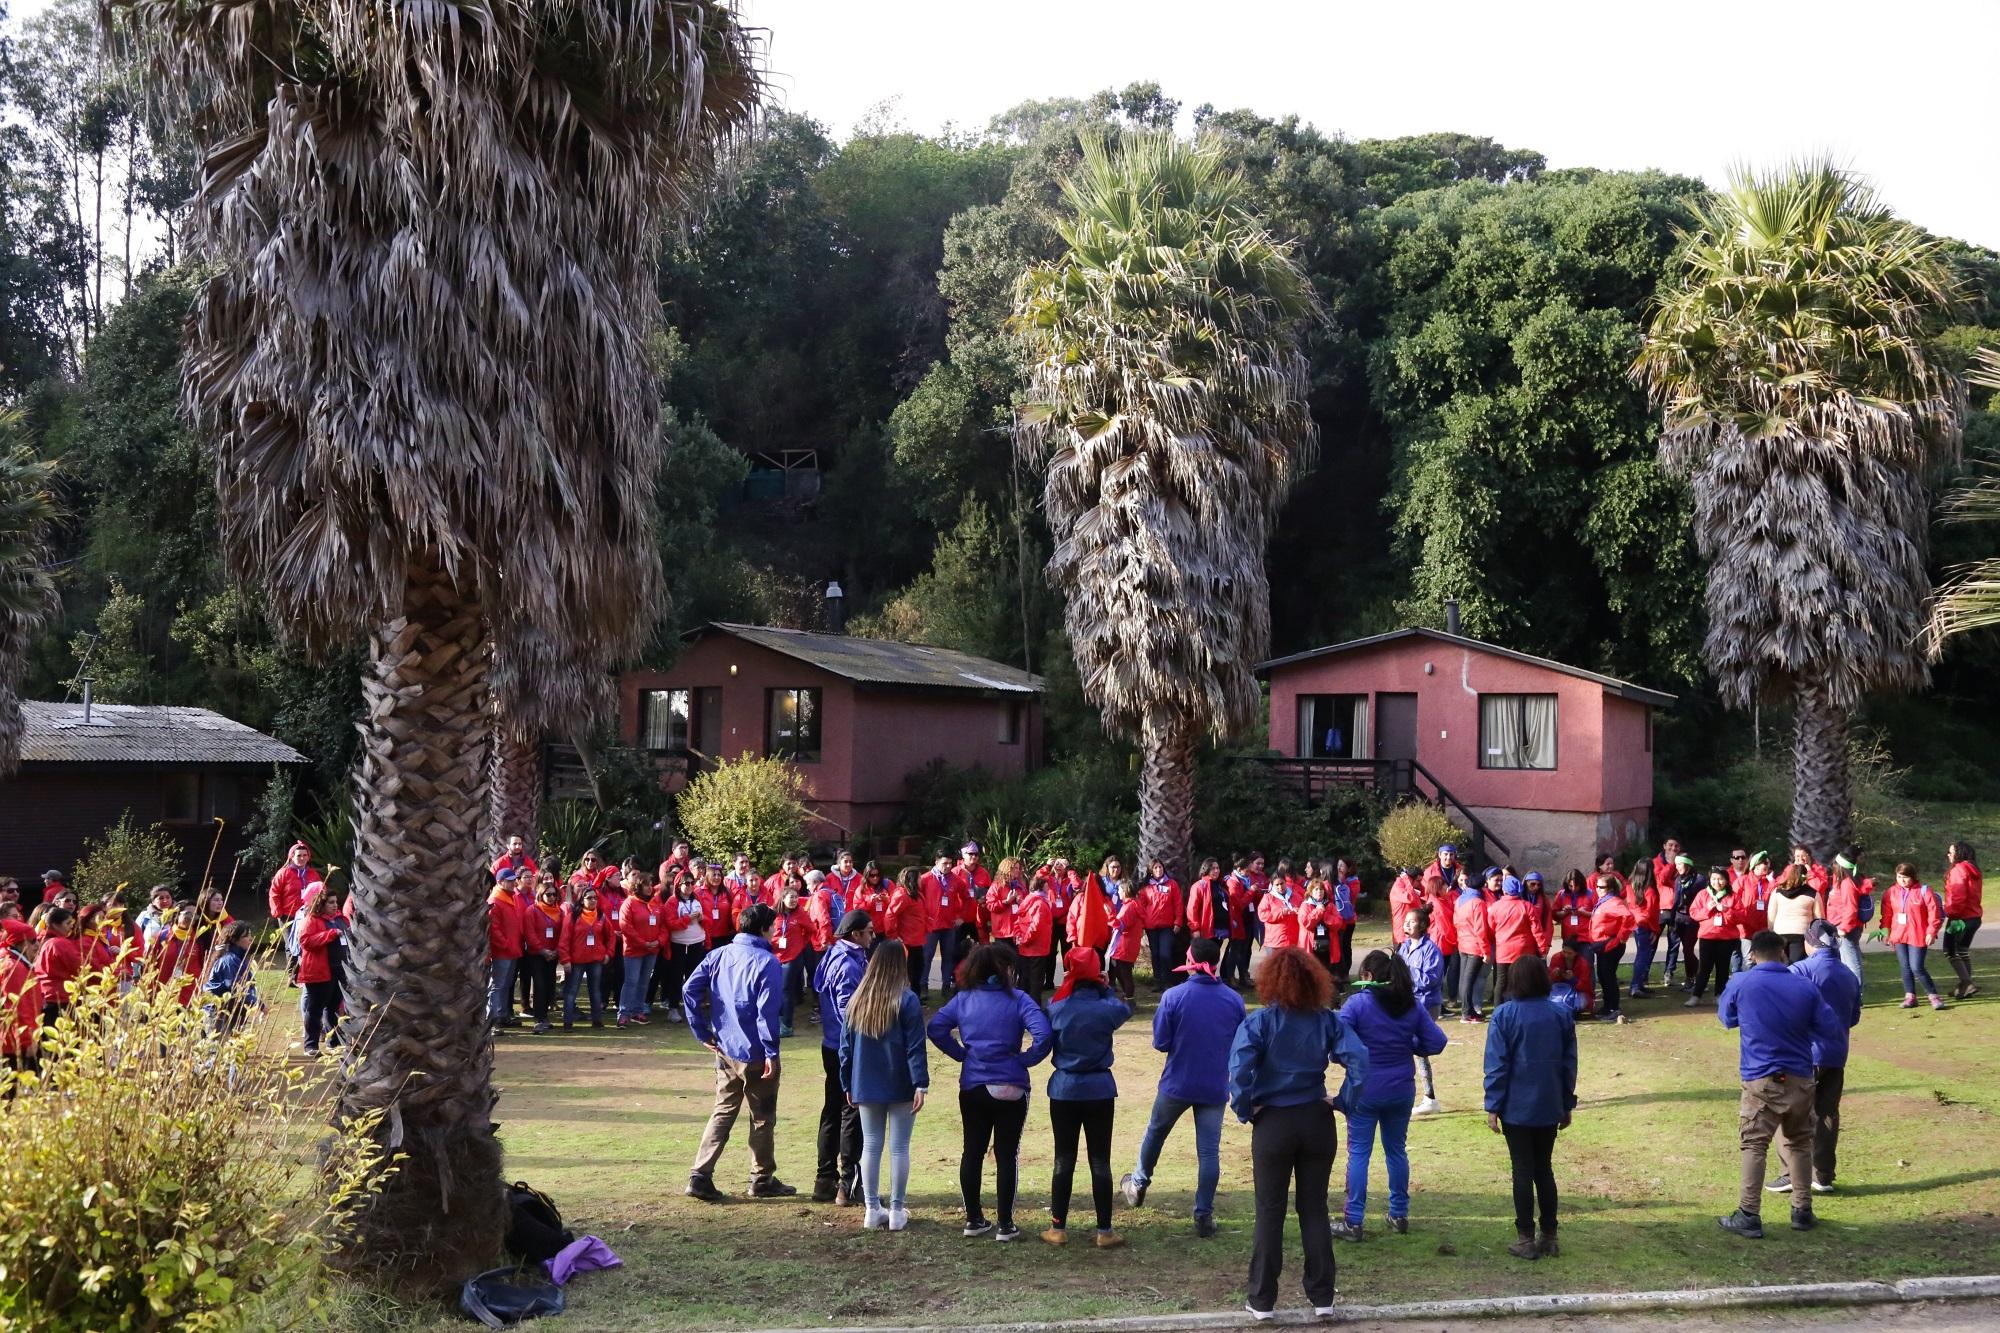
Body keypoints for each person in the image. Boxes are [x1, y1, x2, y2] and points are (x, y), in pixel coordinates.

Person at [1228, 948, 1368, 1322]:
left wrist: (1245, 1110)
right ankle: (1323, 1297)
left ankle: (1262, 1300)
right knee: (1314, 1209)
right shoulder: (1327, 1021)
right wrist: (1343, 1101)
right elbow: (1360, 1059)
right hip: (1315, 1118)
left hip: (1273, 1121)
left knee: (1269, 1212)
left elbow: (1238, 1070)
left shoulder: (1260, 1023)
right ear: (1314, 980)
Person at [1717, 930, 1845, 1239]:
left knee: (1754, 1143)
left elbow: (1726, 1018)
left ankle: (1749, 1213)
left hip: (1760, 1076)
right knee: (1800, 1141)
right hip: (1800, 1076)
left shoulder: (1741, 982)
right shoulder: (1804, 985)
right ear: (1784, 953)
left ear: (1752, 955)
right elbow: (1829, 1026)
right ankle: (1802, 1209)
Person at [926, 944, 1053, 1242]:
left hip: (973, 1085)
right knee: (1007, 1155)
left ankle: (973, 1219)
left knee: (973, 1151)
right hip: (1010, 1084)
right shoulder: (1019, 1000)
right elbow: (1044, 1034)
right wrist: (1025, 1059)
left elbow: (936, 1028)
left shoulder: (963, 999)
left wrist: (961, 1055)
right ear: (1006, 970)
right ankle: (1005, 1225)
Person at [1120, 937, 1245, 1237]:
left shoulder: (1174, 996)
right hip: (1214, 1084)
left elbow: (1160, 1042)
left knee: (1156, 1132)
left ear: (1191, 961)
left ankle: (1138, 1182)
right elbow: (1242, 1044)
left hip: (1178, 1081)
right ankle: (1203, 1213)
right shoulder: (1233, 999)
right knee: (1208, 1151)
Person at [683, 903, 793, 1201]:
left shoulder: (719, 955)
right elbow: (766, 1012)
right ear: (763, 929)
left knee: (723, 1109)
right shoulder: (767, 961)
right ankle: (761, 1178)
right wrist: (771, 1051)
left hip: (726, 1046)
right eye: (773, 925)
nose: (776, 930)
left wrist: (701, 1030)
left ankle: (700, 1174)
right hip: (755, 1051)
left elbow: (689, 990)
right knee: (762, 1116)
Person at [1338, 950, 1448, 1241]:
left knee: (1359, 1153)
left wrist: (1356, 1055)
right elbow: (1436, 1042)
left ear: (1368, 976)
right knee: (1396, 1150)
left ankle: (1354, 1220)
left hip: (1364, 1089)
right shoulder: (1409, 1004)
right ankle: (1399, 1214)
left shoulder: (1357, 1004)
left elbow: (1337, 1044)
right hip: (1401, 1089)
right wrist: (1408, 1041)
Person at [1482, 953, 1577, 1260]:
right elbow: (1568, 1064)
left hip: (1517, 1106)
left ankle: (1525, 1237)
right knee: (1543, 1169)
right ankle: (1550, 1235)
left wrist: (1493, 1105)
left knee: (1522, 1170)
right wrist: (1566, 1102)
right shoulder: (1560, 1015)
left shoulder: (1505, 1015)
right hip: (1549, 1102)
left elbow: (1497, 1064)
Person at [1042, 947, 1131, 1248]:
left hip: (1064, 1089)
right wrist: (1105, 988)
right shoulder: (1106, 1007)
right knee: (1100, 1160)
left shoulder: (1057, 1006)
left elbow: (1050, 1009)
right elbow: (1124, 1010)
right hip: (1099, 1089)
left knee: (1063, 1158)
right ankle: (1104, 1230)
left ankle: (1058, 1227)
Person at [1765, 920, 1861, 1198]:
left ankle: (1790, 1174)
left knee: (1789, 1109)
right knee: (1827, 1112)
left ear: (1810, 942)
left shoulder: (1799, 971)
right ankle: (1823, 1174)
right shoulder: (1848, 974)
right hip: (1836, 1053)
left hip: (1802, 1053)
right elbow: (1854, 1017)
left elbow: (1782, 1010)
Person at [839, 939, 929, 1232]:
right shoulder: (907, 999)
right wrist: (921, 1083)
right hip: (900, 1080)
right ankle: (896, 1209)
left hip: (865, 1082)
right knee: (899, 1147)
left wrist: (847, 1082)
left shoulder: (857, 1000)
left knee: (872, 1146)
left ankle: (871, 1208)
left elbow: (845, 1048)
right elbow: (916, 1047)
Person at [814, 909, 875, 1205]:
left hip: (832, 1042)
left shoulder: (834, 954)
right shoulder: (848, 964)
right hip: (846, 1045)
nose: (873, 936)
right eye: (869, 932)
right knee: (851, 1111)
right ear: (856, 934)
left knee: (833, 1110)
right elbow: (847, 1010)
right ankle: (847, 1182)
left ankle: (824, 1179)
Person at [1397, 907, 1446, 1115]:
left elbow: (1431, 980)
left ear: (1423, 926)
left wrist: (1407, 974)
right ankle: (1420, 1096)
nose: (1407, 924)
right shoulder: (1403, 948)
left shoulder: (1431, 950)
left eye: (1412, 921)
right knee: (1407, 1049)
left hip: (1426, 1005)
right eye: (1406, 921)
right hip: (1407, 1004)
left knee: (1419, 1050)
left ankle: (1429, 1097)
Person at [1884, 861, 1946, 1010]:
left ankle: (1934, 996)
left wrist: (1931, 932)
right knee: (1905, 967)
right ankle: (1910, 996)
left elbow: (1934, 914)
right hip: (1898, 935)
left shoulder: (1924, 891)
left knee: (1917, 967)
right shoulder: (1891, 892)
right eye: (1899, 877)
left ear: (1913, 877)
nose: (1902, 880)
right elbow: (1887, 914)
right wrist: (1886, 932)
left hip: (1918, 935)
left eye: (1905, 877)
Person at [297, 888, 349, 1055]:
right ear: (321, 904)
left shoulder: (341, 919)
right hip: (319, 972)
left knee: (333, 1008)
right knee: (315, 1009)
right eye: (331, 903)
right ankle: (310, 1046)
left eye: (336, 902)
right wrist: (329, 935)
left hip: (339, 971)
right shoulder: (312, 919)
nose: (335, 905)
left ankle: (333, 1042)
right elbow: (305, 941)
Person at [1686, 868, 1746, 1006]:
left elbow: (1741, 916)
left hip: (1727, 938)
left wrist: (1727, 911)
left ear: (1726, 880)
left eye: (1720, 879)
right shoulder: (1703, 894)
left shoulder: (1733, 896)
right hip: (1707, 937)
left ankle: (1719, 995)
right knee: (1704, 968)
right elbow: (1694, 913)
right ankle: (1696, 995)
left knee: (1723, 968)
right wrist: (1707, 908)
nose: (1717, 882)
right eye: (1714, 879)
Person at [663, 866, 716, 1023]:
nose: (689, 886)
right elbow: (670, 924)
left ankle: (693, 1008)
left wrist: (701, 919)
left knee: (694, 977)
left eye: (692, 883)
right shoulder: (672, 902)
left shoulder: (697, 900)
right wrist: (687, 919)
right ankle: (673, 1007)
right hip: (678, 944)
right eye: (686, 883)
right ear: (679, 885)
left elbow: (709, 921)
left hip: (697, 943)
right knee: (676, 976)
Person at [558, 884, 611, 1030]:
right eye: (589, 898)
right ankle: (568, 1022)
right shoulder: (572, 917)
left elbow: (610, 937)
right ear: (582, 900)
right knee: (571, 992)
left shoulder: (601, 916)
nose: (593, 901)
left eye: (595, 898)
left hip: (596, 960)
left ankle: (597, 1020)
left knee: (595, 991)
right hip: (577, 961)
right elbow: (564, 940)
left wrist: (608, 953)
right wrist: (565, 960)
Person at [1489, 876, 1549, 1003]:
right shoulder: (1527, 906)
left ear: (1504, 890)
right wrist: (1542, 948)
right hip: (1523, 950)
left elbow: (1491, 928)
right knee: (1525, 980)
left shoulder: (1495, 907)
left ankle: (1498, 1009)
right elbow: (1537, 930)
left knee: (1501, 981)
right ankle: (1524, 1006)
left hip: (1503, 950)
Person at [268, 841, 322, 976]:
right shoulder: (283, 873)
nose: (302, 858)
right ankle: (293, 975)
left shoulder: (313, 874)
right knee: (291, 944)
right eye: (299, 855)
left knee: (306, 943)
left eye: (305, 855)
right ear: (292, 856)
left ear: (309, 857)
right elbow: (274, 893)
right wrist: (278, 912)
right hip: (288, 915)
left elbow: (320, 891)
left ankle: (307, 972)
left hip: (307, 914)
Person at [521, 877, 564, 1033]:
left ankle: (544, 1015)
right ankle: (539, 1018)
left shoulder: (560, 912)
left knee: (550, 985)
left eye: (554, 895)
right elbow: (530, 934)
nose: (552, 897)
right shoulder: (532, 911)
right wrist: (542, 950)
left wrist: (557, 950)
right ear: (541, 895)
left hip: (553, 955)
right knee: (539, 985)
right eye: (548, 895)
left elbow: (563, 933)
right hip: (536, 955)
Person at [1589, 878, 1635, 1023]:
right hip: (1603, 944)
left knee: (1607, 977)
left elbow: (1629, 917)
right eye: (1596, 886)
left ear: (1610, 888)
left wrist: (1621, 938)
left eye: (1601, 887)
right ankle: (1608, 1006)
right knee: (1603, 975)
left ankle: (1613, 1009)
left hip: (1611, 945)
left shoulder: (1614, 902)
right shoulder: (1604, 901)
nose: (1597, 889)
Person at [487, 869, 527, 1030]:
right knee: (497, 985)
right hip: (502, 952)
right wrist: (505, 945)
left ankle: (502, 1015)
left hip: (512, 950)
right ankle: (492, 1019)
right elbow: (494, 929)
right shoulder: (496, 901)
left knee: (506, 984)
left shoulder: (511, 898)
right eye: (510, 880)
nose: (513, 883)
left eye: (514, 880)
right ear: (500, 881)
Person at [920, 852, 964, 1001]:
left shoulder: (956, 880)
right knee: (927, 956)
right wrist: (923, 918)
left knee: (948, 957)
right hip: (930, 926)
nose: (948, 866)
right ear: (936, 861)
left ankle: (946, 986)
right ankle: (923, 986)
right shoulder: (925, 879)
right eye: (945, 863)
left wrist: (960, 916)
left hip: (948, 925)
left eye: (950, 863)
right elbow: (917, 899)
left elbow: (967, 898)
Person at [1824, 851, 1873, 982]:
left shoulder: (1847, 884)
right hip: (1843, 926)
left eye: (1835, 863)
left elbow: (1851, 908)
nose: (1833, 866)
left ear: (1840, 866)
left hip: (1846, 928)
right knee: (1846, 962)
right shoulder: (1841, 881)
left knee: (1852, 963)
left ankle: (1857, 995)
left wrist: (1844, 929)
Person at [31, 906, 81, 1031]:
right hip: (60, 997)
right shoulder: (60, 943)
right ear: (55, 925)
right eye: (68, 923)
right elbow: (79, 967)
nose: (71, 926)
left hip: (46, 996)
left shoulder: (45, 941)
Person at [1944, 841, 1982, 999]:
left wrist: (1949, 912)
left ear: (1960, 853)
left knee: (1950, 951)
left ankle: (1967, 983)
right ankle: (1964, 987)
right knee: (1962, 951)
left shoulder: (1959, 870)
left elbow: (1958, 896)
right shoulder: (1973, 869)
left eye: (1951, 852)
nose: (1948, 855)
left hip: (1960, 918)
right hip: (1974, 917)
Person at [773, 883, 810, 1038]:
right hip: (775, 957)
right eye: (791, 897)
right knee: (777, 990)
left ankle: (787, 1026)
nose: (795, 900)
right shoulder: (773, 914)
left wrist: (800, 943)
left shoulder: (800, 913)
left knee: (786, 990)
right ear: (783, 898)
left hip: (793, 958)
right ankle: (780, 1021)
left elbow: (811, 930)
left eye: (796, 897)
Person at [1453, 875, 1492, 1022]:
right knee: (1469, 980)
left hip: (1462, 943)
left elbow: (1455, 922)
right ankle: (1467, 1013)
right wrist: (1485, 951)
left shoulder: (1459, 900)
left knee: (1464, 979)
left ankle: (1466, 1010)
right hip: (1475, 945)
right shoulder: (1478, 903)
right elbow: (1480, 929)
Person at [1014, 871, 1056, 1004]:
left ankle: (1023, 1006)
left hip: (1025, 947)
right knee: (1036, 981)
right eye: (1046, 886)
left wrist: (1020, 938)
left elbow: (1018, 921)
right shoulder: (1041, 904)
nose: (1048, 888)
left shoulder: (1027, 900)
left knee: (1025, 979)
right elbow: (1036, 926)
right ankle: (1033, 1009)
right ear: (1041, 887)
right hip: (1037, 948)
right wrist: (1026, 939)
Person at [889, 867, 931, 996]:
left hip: (917, 939)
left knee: (918, 971)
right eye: (919, 877)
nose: (921, 880)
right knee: (909, 974)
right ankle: (908, 1000)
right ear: (912, 879)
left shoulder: (916, 894)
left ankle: (916, 998)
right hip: (907, 941)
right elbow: (890, 915)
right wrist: (894, 935)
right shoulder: (902, 894)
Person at [1143, 859, 1183, 990]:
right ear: (1151, 871)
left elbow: (1178, 904)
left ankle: (1167, 981)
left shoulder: (1172, 884)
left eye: (1160, 867)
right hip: (1151, 927)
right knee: (1155, 954)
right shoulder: (1146, 887)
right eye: (1155, 868)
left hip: (1167, 926)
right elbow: (1141, 907)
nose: (1158, 870)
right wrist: (1142, 926)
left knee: (1165, 954)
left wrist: (1178, 922)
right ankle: (1157, 981)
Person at [1768, 864, 1821, 964]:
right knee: (1796, 967)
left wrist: (1772, 932)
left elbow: (1770, 918)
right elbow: (1819, 920)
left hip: (1780, 934)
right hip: (1801, 935)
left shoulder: (1777, 892)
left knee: (1780, 966)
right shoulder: (1813, 893)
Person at [1626, 860, 1660, 998]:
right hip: (1645, 925)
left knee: (1641, 955)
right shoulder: (1650, 890)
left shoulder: (1631, 886)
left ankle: (1638, 984)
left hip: (1637, 923)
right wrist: (1655, 930)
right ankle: (1635, 986)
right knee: (1643, 956)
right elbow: (1651, 912)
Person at [1106, 880, 1144, 1000]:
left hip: (1125, 945)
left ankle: (1129, 997)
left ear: (1126, 891)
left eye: (1120, 890)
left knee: (1124, 973)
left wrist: (1109, 914)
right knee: (1120, 970)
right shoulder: (1132, 904)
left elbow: (1120, 925)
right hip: (1127, 943)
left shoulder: (1129, 906)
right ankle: (1128, 995)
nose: (1118, 892)